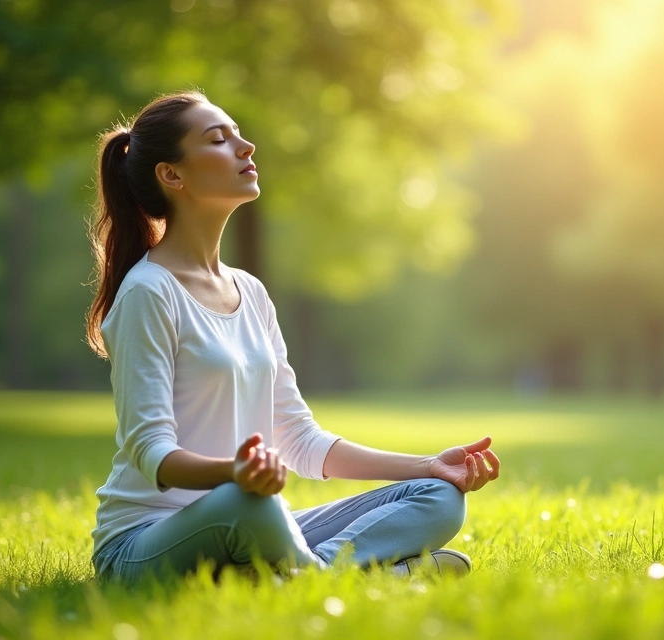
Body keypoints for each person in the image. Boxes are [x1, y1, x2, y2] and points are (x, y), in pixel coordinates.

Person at [85, 91, 501, 583]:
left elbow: (300, 440)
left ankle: (283, 577)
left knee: (439, 499)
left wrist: (430, 465)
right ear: (172, 175)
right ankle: (366, 580)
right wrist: (234, 475)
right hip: (144, 543)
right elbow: (152, 453)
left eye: (239, 134)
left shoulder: (252, 293)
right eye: (220, 139)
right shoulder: (149, 293)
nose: (247, 147)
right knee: (251, 504)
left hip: (251, 517)